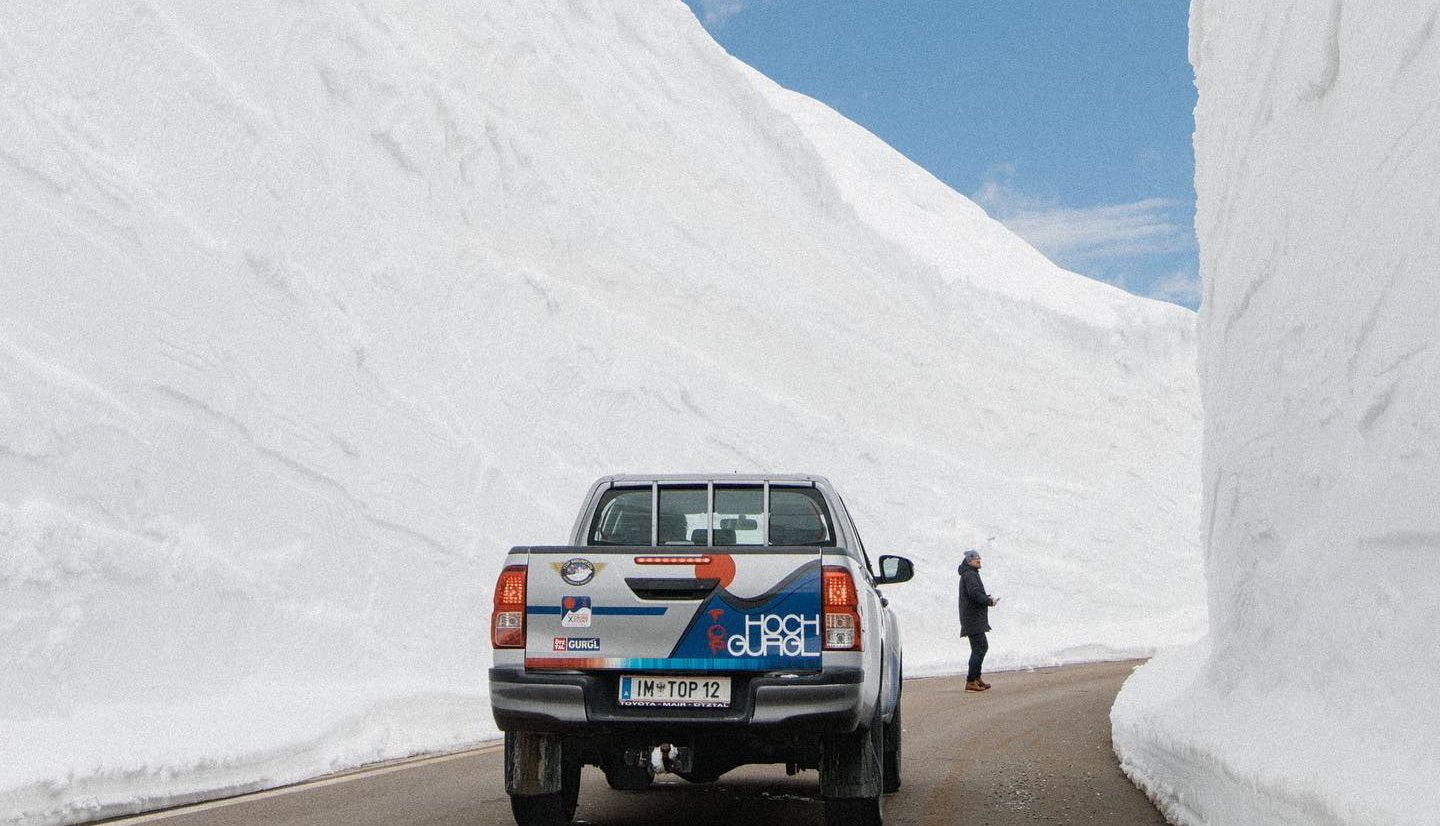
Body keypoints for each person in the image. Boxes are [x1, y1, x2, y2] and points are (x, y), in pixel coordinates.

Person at [957, 549, 998, 691]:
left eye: (979, 558)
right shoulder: (969, 575)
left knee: (980, 647)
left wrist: (986, 598)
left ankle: (976, 677)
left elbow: (975, 593)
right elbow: (974, 594)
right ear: (969, 561)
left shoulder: (970, 574)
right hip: (972, 619)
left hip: (974, 618)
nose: (979, 560)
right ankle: (971, 680)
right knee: (980, 647)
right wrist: (988, 601)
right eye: (976, 559)